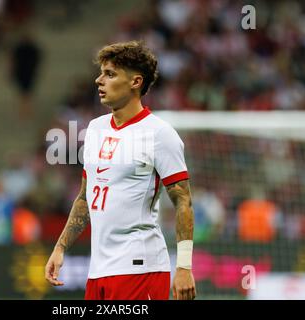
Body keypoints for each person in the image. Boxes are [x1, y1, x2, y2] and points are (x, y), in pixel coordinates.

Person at [45, 41, 196, 300]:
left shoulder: (159, 134)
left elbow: (183, 200)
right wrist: (60, 247)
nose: (98, 80)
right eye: (101, 72)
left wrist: (183, 266)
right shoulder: (95, 129)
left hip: (141, 268)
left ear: (135, 82)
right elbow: (85, 197)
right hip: (98, 270)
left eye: (110, 74)